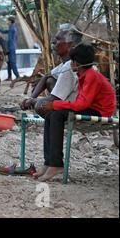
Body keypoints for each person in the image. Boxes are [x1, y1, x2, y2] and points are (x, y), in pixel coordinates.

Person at [33, 43, 116, 181]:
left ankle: (56, 164)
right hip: (92, 108)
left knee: (56, 114)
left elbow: (81, 104)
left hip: (101, 112)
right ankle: (49, 162)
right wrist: (54, 106)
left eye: (72, 61)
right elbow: (81, 102)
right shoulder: (84, 75)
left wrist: (54, 104)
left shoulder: (91, 76)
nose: (71, 63)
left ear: (76, 62)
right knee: (51, 114)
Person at [20, 24, 82, 118]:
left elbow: (54, 99)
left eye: (58, 39)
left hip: (74, 109)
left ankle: (55, 126)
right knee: (49, 80)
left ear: (71, 44)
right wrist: (32, 98)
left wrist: (32, 101)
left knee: (41, 106)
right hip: (67, 105)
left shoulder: (69, 67)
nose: (53, 42)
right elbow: (46, 77)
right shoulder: (65, 64)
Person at [0, 16, 19, 80]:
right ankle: (9, 76)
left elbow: (9, 39)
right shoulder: (10, 28)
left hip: (11, 47)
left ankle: (17, 76)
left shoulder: (12, 29)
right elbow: (3, 31)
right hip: (10, 47)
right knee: (9, 62)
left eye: (8, 20)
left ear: (10, 21)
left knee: (12, 62)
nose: (7, 22)